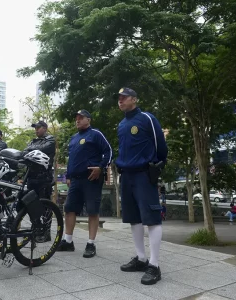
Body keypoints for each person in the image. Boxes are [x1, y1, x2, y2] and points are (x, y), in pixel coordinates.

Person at [115, 87, 168, 285]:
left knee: (152, 218)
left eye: (124, 97)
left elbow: (160, 145)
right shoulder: (121, 124)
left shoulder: (147, 118)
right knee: (134, 219)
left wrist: (159, 165)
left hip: (144, 174)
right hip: (126, 175)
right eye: (118, 98)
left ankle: (154, 265)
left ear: (134, 99)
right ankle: (141, 258)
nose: (120, 101)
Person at [57, 109, 112, 258]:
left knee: (92, 210)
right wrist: (68, 175)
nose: (78, 120)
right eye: (76, 118)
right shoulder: (74, 138)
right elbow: (72, 159)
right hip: (75, 179)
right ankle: (68, 241)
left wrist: (101, 168)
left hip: (91, 178)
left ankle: (91, 243)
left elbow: (108, 151)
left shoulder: (95, 134)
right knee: (69, 209)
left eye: (81, 118)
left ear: (89, 120)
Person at [23, 120, 56, 243]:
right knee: (31, 203)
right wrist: (32, 148)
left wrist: (31, 148)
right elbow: (24, 152)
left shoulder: (50, 139)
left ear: (45, 128)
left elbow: (43, 148)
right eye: (35, 128)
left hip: (44, 177)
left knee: (45, 205)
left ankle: (46, 232)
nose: (36, 130)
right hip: (31, 176)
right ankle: (35, 229)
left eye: (38, 127)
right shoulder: (33, 141)